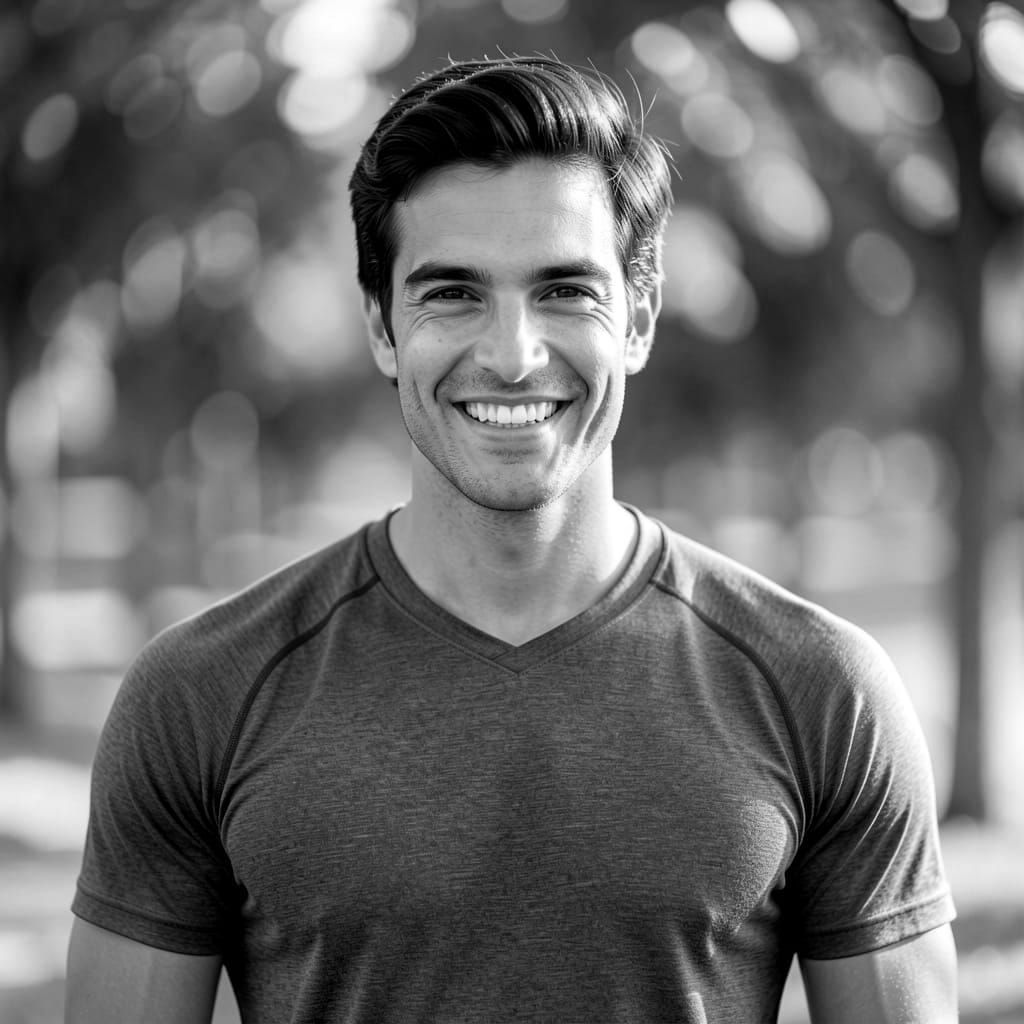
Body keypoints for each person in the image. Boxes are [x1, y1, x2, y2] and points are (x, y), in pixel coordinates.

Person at [66, 55, 958, 1023]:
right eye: (452, 293)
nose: (511, 352)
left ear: (639, 317)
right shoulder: (200, 694)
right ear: (380, 325)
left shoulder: (822, 689)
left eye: (564, 290)